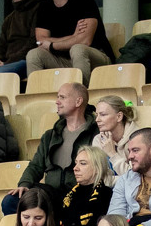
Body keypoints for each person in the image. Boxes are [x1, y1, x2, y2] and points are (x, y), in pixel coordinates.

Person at [12, 82, 99, 212]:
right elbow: (35, 166)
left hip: (80, 192)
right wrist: (24, 184)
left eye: (62, 97)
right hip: (51, 194)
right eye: (58, 97)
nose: (57, 102)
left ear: (78, 101)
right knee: (12, 200)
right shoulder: (50, 135)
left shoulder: (96, 134)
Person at [26, 0, 114, 82]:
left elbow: (84, 41)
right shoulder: (44, 6)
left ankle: (80, 92)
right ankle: (38, 93)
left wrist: (52, 45)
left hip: (95, 57)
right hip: (64, 59)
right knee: (34, 54)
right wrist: (74, 37)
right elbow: (41, 40)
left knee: (77, 49)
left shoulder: (84, 1)